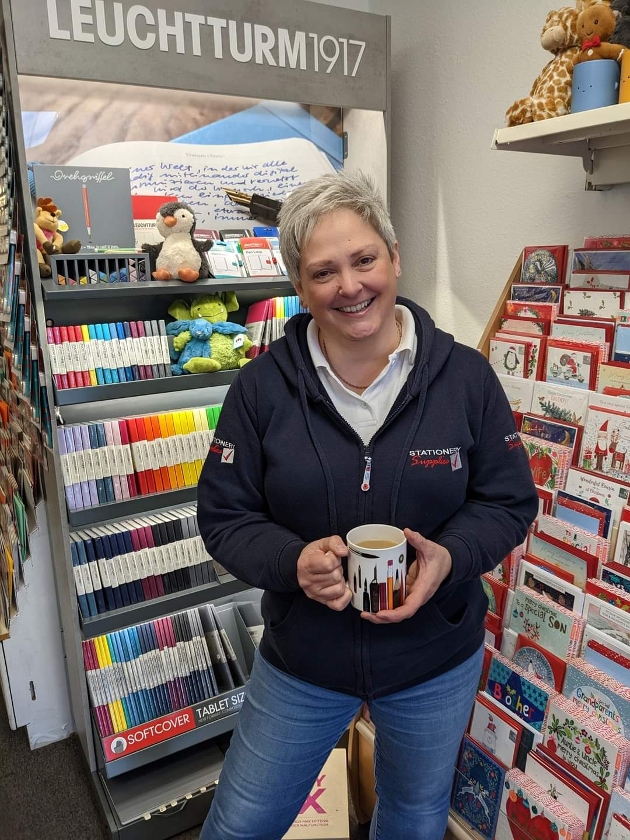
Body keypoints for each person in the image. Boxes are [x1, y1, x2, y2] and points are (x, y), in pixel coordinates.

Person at [197, 171, 537, 840]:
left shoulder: (465, 377)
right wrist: (293, 562)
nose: (349, 286)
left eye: (364, 260)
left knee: (412, 816)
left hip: (434, 660)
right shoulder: (261, 389)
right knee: (239, 826)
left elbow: (506, 501)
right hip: (304, 662)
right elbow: (226, 517)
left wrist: (450, 557)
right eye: (323, 272)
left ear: (394, 255)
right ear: (298, 286)